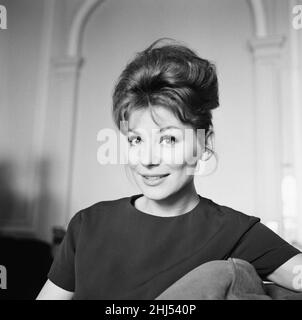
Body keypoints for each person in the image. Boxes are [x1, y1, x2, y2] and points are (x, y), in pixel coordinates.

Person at [37, 38, 302, 300]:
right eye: (136, 139)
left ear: (203, 142)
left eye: (168, 139)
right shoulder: (87, 226)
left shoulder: (236, 232)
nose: (148, 159)